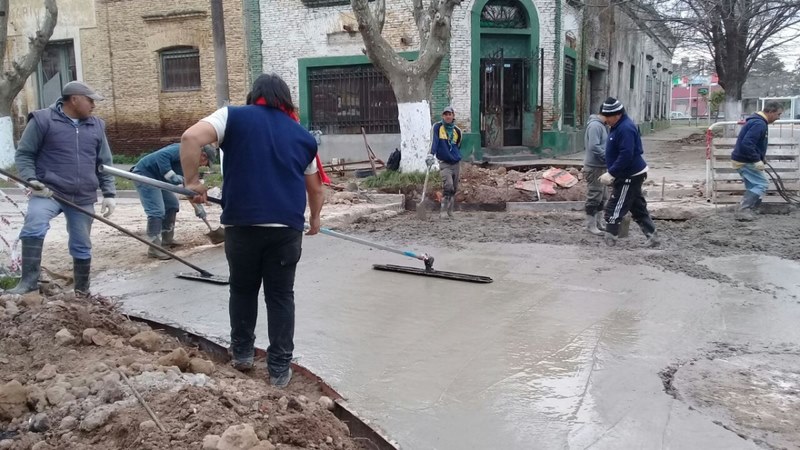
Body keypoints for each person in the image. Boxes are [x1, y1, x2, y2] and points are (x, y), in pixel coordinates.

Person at [179, 73, 325, 389]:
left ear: (253, 95)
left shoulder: (232, 117)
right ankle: (279, 369)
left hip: (242, 225)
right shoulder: (303, 137)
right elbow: (315, 189)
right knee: (281, 295)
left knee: (243, 289)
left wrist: (191, 182)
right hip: (285, 229)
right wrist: (314, 220)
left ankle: (243, 354)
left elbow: (191, 138)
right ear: (286, 100)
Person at [8, 81, 116, 295]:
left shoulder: (96, 125)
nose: (94, 105)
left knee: (81, 243)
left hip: (82, 195)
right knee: (34, 224)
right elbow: (24, 154)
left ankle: (82, 291)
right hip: (48, 192)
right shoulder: (42, 120)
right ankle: (28, 282)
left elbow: (104, 162)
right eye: (90, 100)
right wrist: (31, 180)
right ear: (74, 99)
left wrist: (109, 193)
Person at [131, 143, 217, 259]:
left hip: (158, 179)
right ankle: (154, 248)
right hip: (145, 174)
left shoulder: (189, 165)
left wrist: (198, 208)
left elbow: (188, 188)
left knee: (172, 205)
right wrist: (170, 175)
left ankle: (167, 239)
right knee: (157, 211)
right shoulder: (184, 149)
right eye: (206, 163)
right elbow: (161, 155)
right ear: (203, 155)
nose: (204, 166)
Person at [598, 97, 659, 248]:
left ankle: (610, 239)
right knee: (638, 208)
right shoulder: (618, 126)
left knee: (614, 207)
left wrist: (612, 172)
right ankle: (653, 237)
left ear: (616, 114)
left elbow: (626, 154)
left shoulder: (625, 128)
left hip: (629, 175)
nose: (605, 120)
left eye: (607, 117)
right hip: (630, 173)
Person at [730, 101, 784, 221]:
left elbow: (753, 144)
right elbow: (747, 143)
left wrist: (761, 157)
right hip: (745, 160)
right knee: (762, 184)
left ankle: (750, 209)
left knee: (753, 185)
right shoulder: (759, 124)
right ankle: (744, 210)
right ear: (770, 112)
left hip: (742, 159)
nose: (778, 118)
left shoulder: (757, 121)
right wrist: (756, 160)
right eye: (778, 114)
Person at [428, 105, 463, 219]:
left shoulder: (457, 131)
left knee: (454, 189)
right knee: (448, 186)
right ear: (443, 116)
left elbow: (458, 145)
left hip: (456, 163)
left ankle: (450, 211)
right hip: (444, 163)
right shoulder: (437, 127)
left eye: (450, 114)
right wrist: (430, 155)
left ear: (453, 116)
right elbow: (434, 142)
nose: (448, 116)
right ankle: (443, 211)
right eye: (446, 114)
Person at [583, 109, 608, 235]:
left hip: (601, 166)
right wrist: (607, 156)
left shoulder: (601, 126)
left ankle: (598, 223)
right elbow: (594, 146)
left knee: (602, 197)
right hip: (594, 167)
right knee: (594, 196)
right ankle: (590, 225)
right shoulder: (595, 126)